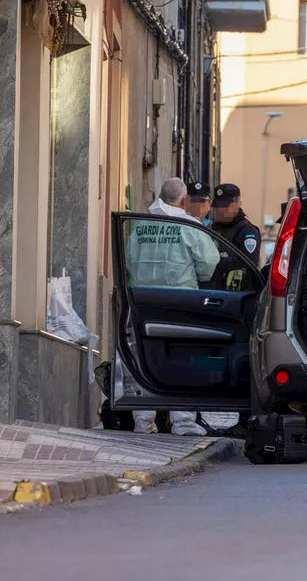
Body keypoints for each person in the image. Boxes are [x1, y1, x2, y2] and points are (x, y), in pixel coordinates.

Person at [125, 177, 219, 436]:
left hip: (143, 301)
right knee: (182, 362)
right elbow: (208, 264)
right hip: (181, 304)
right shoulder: (188, 225)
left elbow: (130, 262)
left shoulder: (141, 225)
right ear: (184, 199)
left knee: (144, 362)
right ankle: (183, 423)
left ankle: (143, 422)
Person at [210, 183, 263, 291]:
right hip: (212, 291)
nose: (220, 210)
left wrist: (217, 261)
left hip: (237, 296)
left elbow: (248, 264)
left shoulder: (247, 232)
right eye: (217, 206)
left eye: (225, 206)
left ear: (237, 204)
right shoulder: (211, 229)